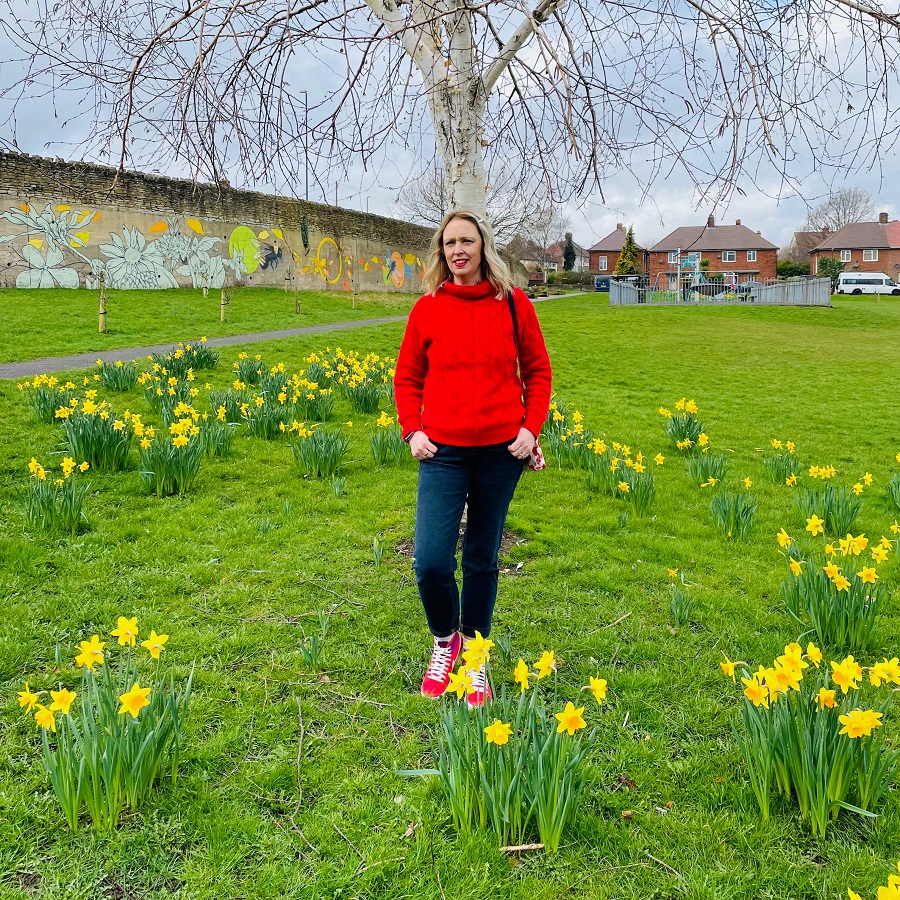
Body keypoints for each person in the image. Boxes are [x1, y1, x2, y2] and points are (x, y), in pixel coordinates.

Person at [395, 210, 552, 706]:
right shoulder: (428, 308)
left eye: (466, 241)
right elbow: (407, 377)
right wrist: (412, 430)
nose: (457, 250)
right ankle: (446, 641)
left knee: (482, 559)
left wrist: (530, 429)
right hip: (442, 452)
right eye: (449, 243)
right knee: (430, 561)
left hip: (500, 452)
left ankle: (475, 657)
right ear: (441, 252)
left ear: (483, 245)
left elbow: (538, 371)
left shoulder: (513, 304)